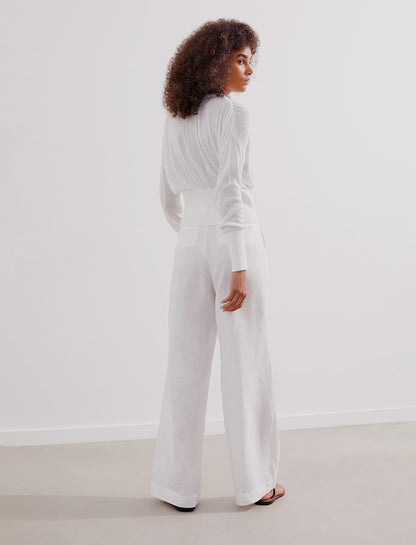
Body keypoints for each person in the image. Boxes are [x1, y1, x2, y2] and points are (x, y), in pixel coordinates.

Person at [150, 18, 285, 511]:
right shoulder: (233, 114)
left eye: (251, 60)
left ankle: (176, 487)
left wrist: (195, 233)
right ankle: (255, 484)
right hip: (235, 244)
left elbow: (167, 196)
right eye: (240, 59)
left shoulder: (176, 118)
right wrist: (238, 262)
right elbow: (231, 188)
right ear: (215, 62)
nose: (249, 70)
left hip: (189, 245)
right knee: (246, 362)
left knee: (184, 365)